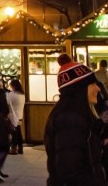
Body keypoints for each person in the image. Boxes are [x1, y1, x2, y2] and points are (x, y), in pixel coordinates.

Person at [45, 54, 107, 185]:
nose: (98, 88)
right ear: (79, 90)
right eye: (92, 84)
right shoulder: (69, 120)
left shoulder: (78, 116)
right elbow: (69, 172)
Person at [7, 80, 25, 155]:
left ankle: (14, 148)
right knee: (18, 131)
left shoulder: (12, 94)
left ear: (13, 86)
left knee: (14, 132)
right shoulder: (22, 94)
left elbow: (7, 103)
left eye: (11, 86)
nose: (10, 87)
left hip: (13, 116)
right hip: (20, 115)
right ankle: (20, 148)